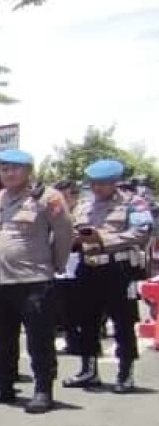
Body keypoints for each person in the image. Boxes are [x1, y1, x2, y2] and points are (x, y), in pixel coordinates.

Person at [0, 149, 74, 413]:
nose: (9, 173)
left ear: (28, 171)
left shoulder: (48, 197)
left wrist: (56, 264)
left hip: (33, 279)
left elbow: (64, 232)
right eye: (4, 169)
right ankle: (4, 386)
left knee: (39, 340)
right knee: (2, 338)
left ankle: (43, 389)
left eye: (15, 168)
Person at [62, 159, 154, 393]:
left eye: (101, 184)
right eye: (92, 183)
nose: (96, 188)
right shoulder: (83, 206)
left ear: (115, 182)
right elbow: (72, 231)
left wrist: (102, 239)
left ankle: (125, 373)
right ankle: (88, 370)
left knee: (123, 322)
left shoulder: (134, 203)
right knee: (86, 320)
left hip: (118, 269)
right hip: (88, 268)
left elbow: (140, 234)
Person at [51, 179, 83, 356]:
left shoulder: (82, 212)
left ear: (75, 196)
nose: (61, 199)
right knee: (63, 306)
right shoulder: (54, 212)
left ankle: (80, 342)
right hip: (60, 265)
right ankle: (72, 340)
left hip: (79, 262)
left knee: (79, 306)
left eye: (65, 195)